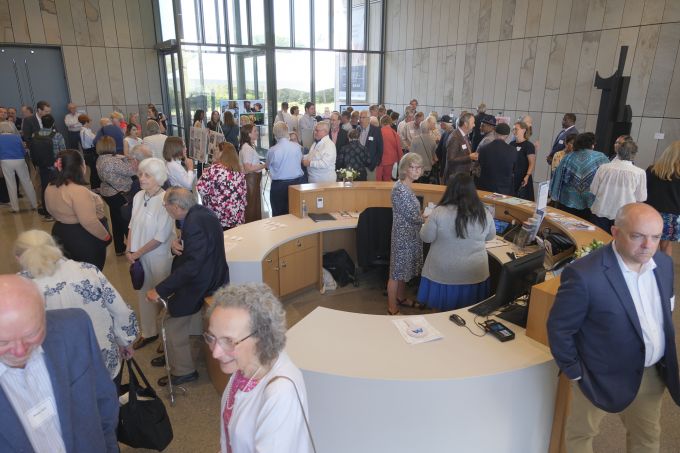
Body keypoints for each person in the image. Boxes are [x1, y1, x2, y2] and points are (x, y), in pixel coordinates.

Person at [547, 203, 680, 453]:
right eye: (637, 236)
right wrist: (576, 374)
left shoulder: (662, 265)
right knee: (581, 435)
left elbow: (665, 312)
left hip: (650, 373)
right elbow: (560, 329)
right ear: (616, 232)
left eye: (655, 237)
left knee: (647, 438)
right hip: (597, 375)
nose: (647, 245)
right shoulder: (584, 274)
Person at [0, 274, 120, 452]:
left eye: (31, 335)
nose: (19, 351)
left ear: (44, 313)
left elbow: (104, 399)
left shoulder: (75, 327)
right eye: (3, 342)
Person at [14, 230, 138, 379]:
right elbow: (120, 310)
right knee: (109, 398)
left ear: (18, 257)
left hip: (58, 372)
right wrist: (125, 341)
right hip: (102, 358)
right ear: (55, 248)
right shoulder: (87, 270)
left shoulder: (18, 288)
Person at [206, 283, 313, 453]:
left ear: (261, 338)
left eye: (228, 341)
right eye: (212, 337)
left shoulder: (280, 392)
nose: (216, 353)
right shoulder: (243, 366)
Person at [147, 187, 229, 386]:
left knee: (169, 322)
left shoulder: (194, 223)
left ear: (176, 207)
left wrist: (160, 289)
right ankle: (172, 355)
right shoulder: (199, 213)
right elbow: (195, 252)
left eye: (166, 205)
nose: (166, 208)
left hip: (204, 281)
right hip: (208, 275)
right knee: (169, 314)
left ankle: (183, 371)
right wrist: (176, 245)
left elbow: (193, 267)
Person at [418, 174, 495, 311]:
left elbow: (426, 238)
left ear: (450, 190)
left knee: (440, 315)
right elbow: (490, 236)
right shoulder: (484, 213)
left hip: (443, 273)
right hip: (474, 273)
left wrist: (425, 222)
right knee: (469, 315)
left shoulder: (439, 212)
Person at [126, 157, 174, 350]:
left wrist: (136, 253)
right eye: (140, 174)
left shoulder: (166, 200)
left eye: (148, 175)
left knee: (163, 298)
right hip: (139, 255)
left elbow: (160, 237)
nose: (142, 178)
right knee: (143, 296)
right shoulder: (138, 196)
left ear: (159, 178)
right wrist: (130, 250)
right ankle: (148, 332)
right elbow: (131, 225)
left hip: (159, 256)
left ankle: (167, 337)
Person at [45, 149, 111, 270]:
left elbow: (49, 209)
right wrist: (106, 237)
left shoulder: (50, 186)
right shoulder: (78, 191)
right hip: (82, 238)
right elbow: (89, 222)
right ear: (80, 167)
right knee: (89, 275)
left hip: (59, 232)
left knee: (70, 273)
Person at [388, 153, 425, 316]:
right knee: (396, 273)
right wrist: (428, 217)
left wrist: (422, 215)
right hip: (402, 236)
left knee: (404, 270)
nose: (416, 171)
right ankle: (392, 309)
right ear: (404, 168)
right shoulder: (400, 189)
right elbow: (413, 217)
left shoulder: (406, 186)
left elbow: (413, 214)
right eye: (412, 167)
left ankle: (401, 298)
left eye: (419, 167)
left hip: (410, 234)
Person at [550, 132, 609, 221]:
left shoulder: (568, 157)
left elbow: (558, 178)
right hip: (590, 202)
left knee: (566, 229)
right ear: (592, 144)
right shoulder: (601, 157)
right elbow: (607, 178)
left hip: (568, 200)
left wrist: (554, 196)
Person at [590, 139, 646, 232]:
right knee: (618, 243)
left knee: (598, 241)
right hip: (624, 214)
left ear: (618, 152)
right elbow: (640, 198)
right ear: (634, 155)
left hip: (601, 210)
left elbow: (593, 190)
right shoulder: (640, 173)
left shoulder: (604, 168)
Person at [96, 136, 136, 255]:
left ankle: (119, 247)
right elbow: (132, 171)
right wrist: (127, 159)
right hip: (119, 193)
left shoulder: (100, 159)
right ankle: (132, 248)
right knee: (125, 221)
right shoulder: (113, 161)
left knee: (116, 220)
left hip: (107, 192)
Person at [197, 142, 247, 229]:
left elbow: (200, 188)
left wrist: (204, 174)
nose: (214, 152)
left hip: (218, 218)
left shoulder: (214, 169)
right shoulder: (239, 171)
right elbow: (243, 195)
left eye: (216, 150)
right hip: (236, 217)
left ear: (222, 153)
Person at [645, 140, 680, 256]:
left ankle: (648, 271)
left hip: (650, 213)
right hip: (671, 216)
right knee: (666, 246)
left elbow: (644, 191)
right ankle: (664, 271)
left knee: (649, 244)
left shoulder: (652, 170)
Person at [267, 122, 304, 216]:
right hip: (297, 183)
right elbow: (300, 161)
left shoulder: (273, 150)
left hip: (279, 185)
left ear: (275, 134)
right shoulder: (297, 147)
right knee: (295, 213)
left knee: (279, 215)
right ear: (287, 132)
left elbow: (268, 165)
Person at [0, 121, 37, 213]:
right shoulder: (17, 137)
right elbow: (23, 151)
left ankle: (15, 208)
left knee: (10, 184)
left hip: (5, 161)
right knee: (27, 182)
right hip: (20, 160)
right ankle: (35, 204)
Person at [476, 123, 516, 195]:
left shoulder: (484, 148)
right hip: (504, 190)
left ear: (494, 133)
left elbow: (480, 164)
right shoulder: (512, 150)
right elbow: (514, 168)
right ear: (507, 135)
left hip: (485, 188)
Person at [239, 124, 265, 222]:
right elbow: (248, 168)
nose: (257, 133)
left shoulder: (249, 146)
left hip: (253, 180)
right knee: (252, 206)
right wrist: (264, 165)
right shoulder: (247, 148)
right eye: (255, 131)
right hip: (251, 180)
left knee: (253, 205)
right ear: (249, 134)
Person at [444, 112, 476, 182]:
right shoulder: (455, 137)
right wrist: (469, 157)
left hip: (462, 176)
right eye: (472, 123)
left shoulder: (465, 135)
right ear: (465, 124)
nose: (474, 125)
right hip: (455, 178)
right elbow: (451, 160)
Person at [510, 121, 536, 201]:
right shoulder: (512, 144)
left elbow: (532, 163)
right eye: (513, 129)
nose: (514, 131)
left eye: (516, 129)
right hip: (512, 178)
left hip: (523, 178)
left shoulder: (529, 146)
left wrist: (527, 176)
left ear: (524, 130)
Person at [409, 116, 438, 183]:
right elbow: (434, 157)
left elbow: (411, 155)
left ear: (420, 128)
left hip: (416, 169)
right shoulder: (432, 140)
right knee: (425, 187)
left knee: (416, 188)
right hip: (427, 170)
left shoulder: (415, 140)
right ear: (428, 128)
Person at [377, 114, 402, 181]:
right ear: (390, 122)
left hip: (379, 160)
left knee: (378, 179)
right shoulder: (394, 133)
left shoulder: (378, 132)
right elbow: (399, 148)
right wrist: (401, 160)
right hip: (390, 160)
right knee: (387, 178)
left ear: (381, 122)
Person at [79, 114, 100, 189]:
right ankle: (95, 187)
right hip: (90, 152)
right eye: (90, 122)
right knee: (94, 170)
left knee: (94, 170)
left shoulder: (86, 131)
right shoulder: (85, 132)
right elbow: (94, 141)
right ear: (86, 122)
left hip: (90, 151)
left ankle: (97, 185)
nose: (91, 123)